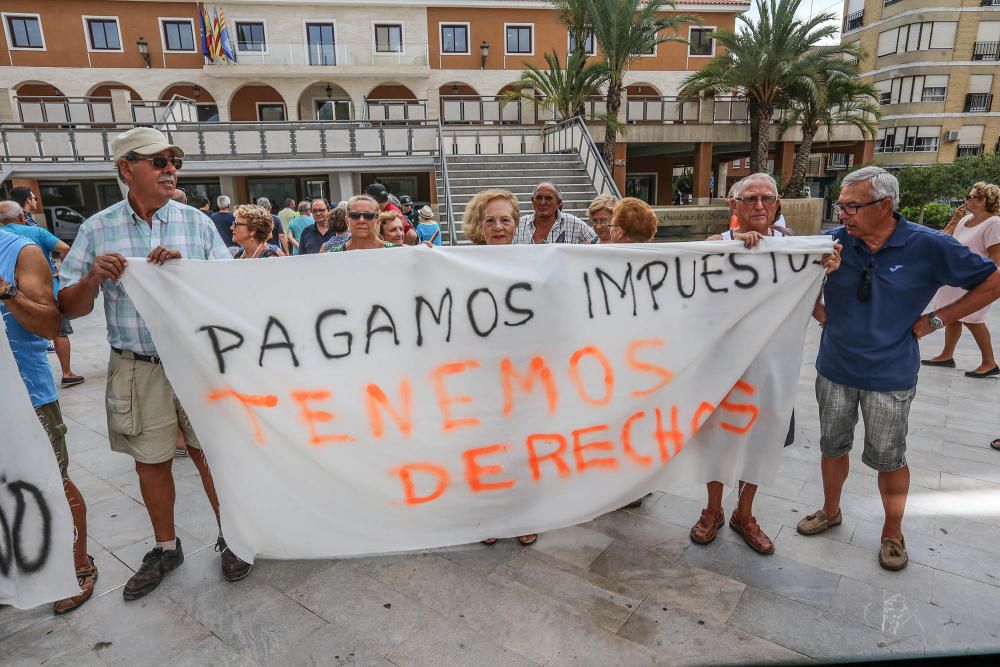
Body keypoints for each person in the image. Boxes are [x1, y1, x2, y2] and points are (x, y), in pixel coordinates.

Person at [58, 127, 252, 599]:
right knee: (151, 461)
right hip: (136, 363)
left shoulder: (196, 223)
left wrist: (187, 270)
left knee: (213, 453)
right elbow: (70, 306)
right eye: (159, 160)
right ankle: (166, 548)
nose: (171, 169)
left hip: (195, 360)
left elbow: (230, 293)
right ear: (127, 168)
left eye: (174, 161)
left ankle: (235, 539)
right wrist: (93, 278)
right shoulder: (97, 228)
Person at [801, 166, 1000, 571]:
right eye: (841, 206)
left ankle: (892, 532)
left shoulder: (928, 245)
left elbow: (993, 280)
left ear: (885, 205)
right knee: (832, 446)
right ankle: (830, 509)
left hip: (889, 376)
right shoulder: (834, 243)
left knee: (889, 457)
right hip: (834, 367)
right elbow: (784, 276)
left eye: (852, 206)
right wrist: (820, 309)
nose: (843, 214)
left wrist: (937, 320)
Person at [689, 174, 841, 555]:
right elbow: (691, 295)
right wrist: (730, 254)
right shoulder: (716, 245)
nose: (759, 205)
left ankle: (745, 513)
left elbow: (817, 303)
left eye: (767, 198)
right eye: (750, 198)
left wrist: (826, 267)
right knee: (717, 440)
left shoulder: (799, 249)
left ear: (777, 205)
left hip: (772, 367)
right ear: (733, 204)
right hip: (722, 367)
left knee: (762, 437)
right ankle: (712, 509)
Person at [0, 220, 95, 614]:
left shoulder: (20, 251)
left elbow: (48, 324)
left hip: (25, 394)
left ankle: (78, 567)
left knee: (52, 480)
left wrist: (6, 291)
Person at [461, 188, 537, 545]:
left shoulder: (539, 260)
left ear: (516, 222)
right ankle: (491, 515)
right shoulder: (459, 263)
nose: (498, 226)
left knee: (521, 446)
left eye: (505, 219)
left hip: (524, 374)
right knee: (486, 446)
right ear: (479, 224)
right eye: (490, 220)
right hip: (481, 374)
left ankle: (523, 516)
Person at [0, 201, 86, 387]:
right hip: (46, 295)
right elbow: (65, 248)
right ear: (22, 217)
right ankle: (67, 372)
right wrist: (63, 273)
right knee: (59, 331)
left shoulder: (6, 240)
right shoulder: (35, 232)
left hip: (15, 303)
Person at [922, 182, 1000, 377]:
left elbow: (995, 259)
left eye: (970, 196)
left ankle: (989, 362)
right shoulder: (964, 219)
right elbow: (943, 240)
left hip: (976, 280)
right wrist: (953, 220)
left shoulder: (994, 224)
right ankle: (947, 355)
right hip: (955, 278)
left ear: (982, 201)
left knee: (974, 319)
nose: (965, 199)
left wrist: (985, 287)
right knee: (951, 317)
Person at [514, 182, 596, 244]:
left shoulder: (575, 223)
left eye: (548, 198)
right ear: (532, 200)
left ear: (559, 202)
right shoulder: (518, 225)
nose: (542, 202)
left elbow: (599, 241)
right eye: (539, 198)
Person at [325, 195, 400, 252]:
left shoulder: (396, 251)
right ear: (347, 220)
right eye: (355, 215)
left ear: (377, 221)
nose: (361, 220)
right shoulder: (334, 255)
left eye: (368, 216)